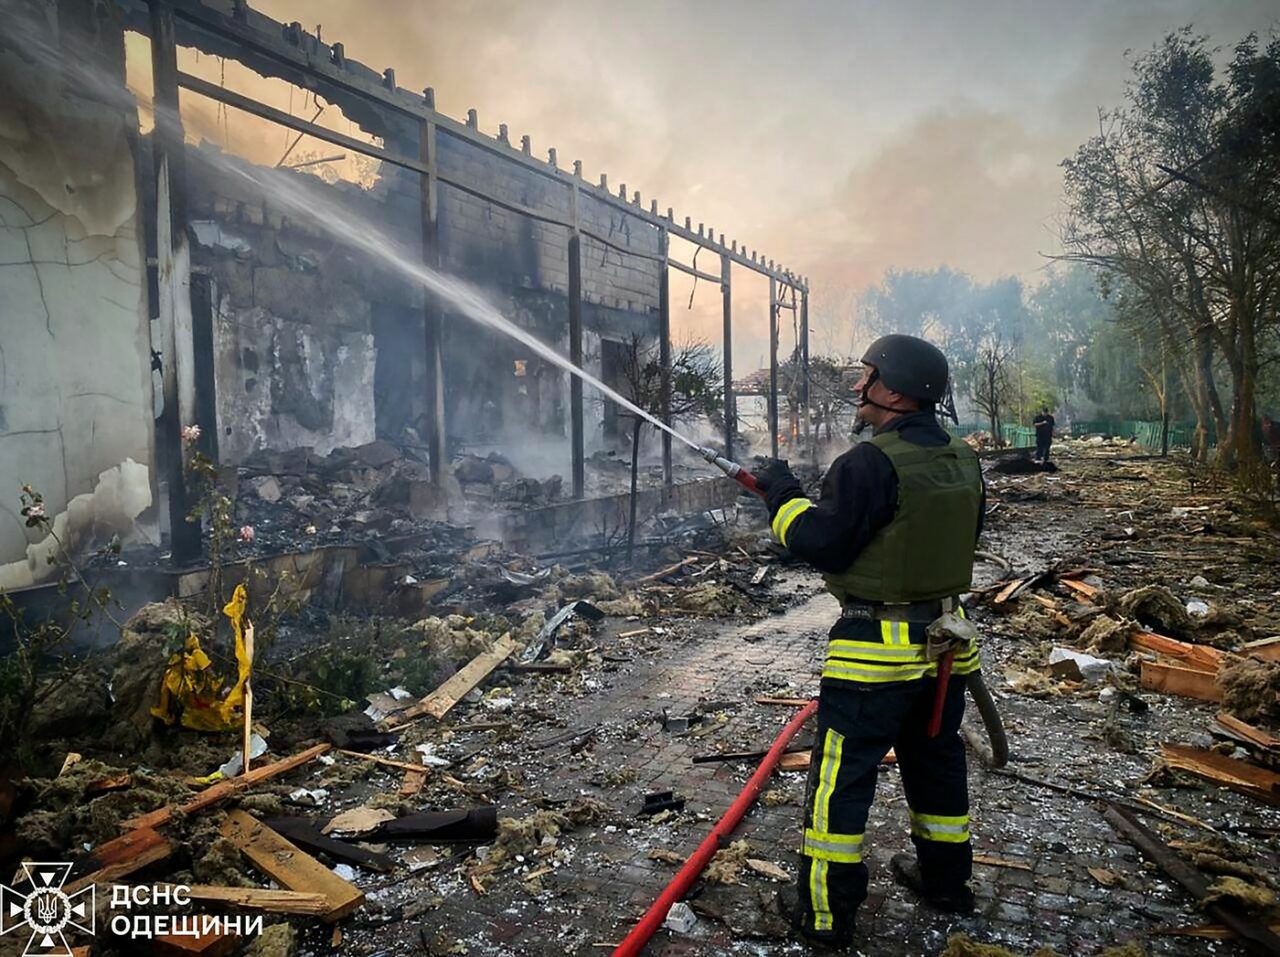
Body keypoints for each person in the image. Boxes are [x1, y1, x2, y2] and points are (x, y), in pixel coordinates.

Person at [753, 334, 985, 949]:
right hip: (946, 647)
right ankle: (947, 883)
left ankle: (825, 913)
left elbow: (819, 544)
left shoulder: (869, 463)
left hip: (875, 653)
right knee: (936, 763)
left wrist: (781, 495)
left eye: (868, 376)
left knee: (842, 779)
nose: (859, 387)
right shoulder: (963, 459)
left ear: (897, 392)